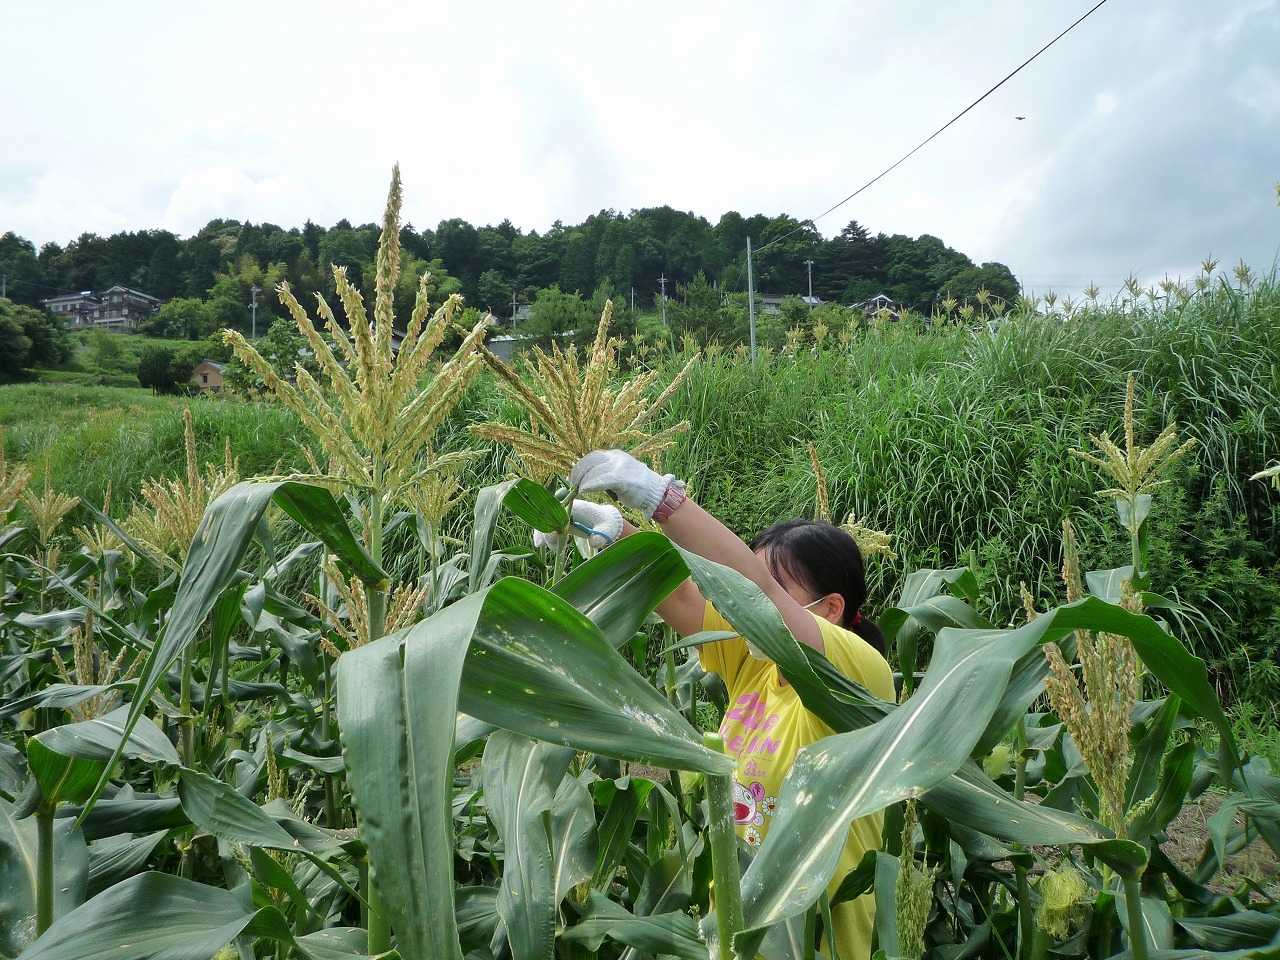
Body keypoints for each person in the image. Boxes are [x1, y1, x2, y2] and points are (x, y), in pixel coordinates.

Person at [565, 449, 895, 960]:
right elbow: (679, 597)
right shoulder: (752, 664)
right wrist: (613, 535)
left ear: (831, 608)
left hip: (818, 942)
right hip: (740, 938)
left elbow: (755, 589)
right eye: (734, 591)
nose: (740, 606)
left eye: (775, 590)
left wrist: (662, 500)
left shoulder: (859, 672)